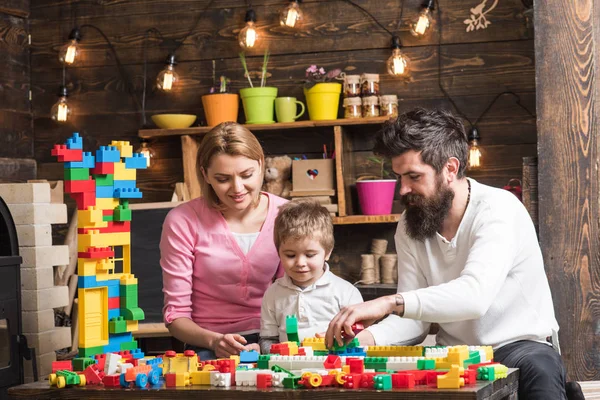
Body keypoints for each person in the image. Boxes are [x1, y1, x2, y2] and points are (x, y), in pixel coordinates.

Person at [325, 108, 578, 400]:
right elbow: (414, 319)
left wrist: (389, 302)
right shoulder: (410, 224)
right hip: (454, 354)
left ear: (450, 169)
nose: (403, 189)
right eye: (399, 177)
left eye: (414, 176)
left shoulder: (499, 209)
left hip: (519, 346)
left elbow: (474, 297)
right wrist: (365, 339)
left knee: (539, 368)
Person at [160, 122, 288, 360]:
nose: (237, 188)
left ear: (261, 164)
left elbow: (292, 295)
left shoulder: (285, 215)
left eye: (246, 175)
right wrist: (214, 340)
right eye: (223, 178)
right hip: (205, 340)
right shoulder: (182, 221)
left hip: (273, 337)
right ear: (205, 174)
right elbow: (176, 317)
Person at [259, 200, 363, 354]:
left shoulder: (346, 293)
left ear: (327, 252)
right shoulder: (272, 294)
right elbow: (268, 339)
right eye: (290, 255)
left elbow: (359, 338)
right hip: (288, 367)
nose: (300, 263)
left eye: (310, 255)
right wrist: (278, 354)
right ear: (278, 252)